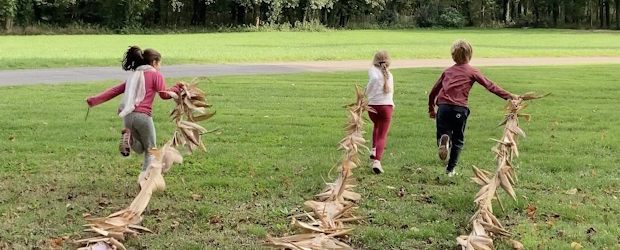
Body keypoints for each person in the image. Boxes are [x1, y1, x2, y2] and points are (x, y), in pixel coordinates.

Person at [86, 46, 181, 183]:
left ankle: (129, 139)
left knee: (140, 148)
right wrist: (177, 87)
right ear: (154, 62)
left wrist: (93, 100)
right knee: (151, 151)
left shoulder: (133, 76)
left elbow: (114, 90)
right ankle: (145, 180)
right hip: (143, 116)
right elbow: (164, 95)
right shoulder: (155, 74)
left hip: (128, 117)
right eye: (160, 63)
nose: (160, 67)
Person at [428, 40, 518, 177]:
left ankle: (443, 140)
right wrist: (509, 96)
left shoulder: (447, 72)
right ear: (470, 55)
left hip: (443, 108)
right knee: (458, 140)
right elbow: (490, 86)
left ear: (453, 56)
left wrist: (431, 109)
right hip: (460, 109)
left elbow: (433, 91)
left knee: (443, 133)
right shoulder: (472, 71)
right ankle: (450, 170)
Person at [366, 50, 394, 174]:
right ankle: (377, 161)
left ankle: (373, 149)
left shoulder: (372, 71)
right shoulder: (389, 75)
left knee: (376, 125)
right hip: (386, 107)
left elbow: (371, 83)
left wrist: (366, 93)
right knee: (382, 134)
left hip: (372, 107)